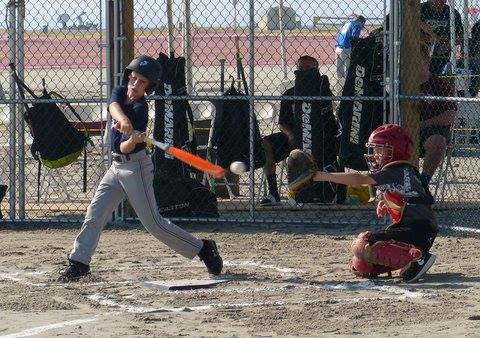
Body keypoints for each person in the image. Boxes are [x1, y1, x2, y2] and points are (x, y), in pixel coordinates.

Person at [58, 55, 223, 282]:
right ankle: (79, 262)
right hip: (115, 168)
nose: (135, 85)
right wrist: (123, 120)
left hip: (135, 168)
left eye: (142, 82)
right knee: (95, 214)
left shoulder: (140, 109)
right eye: (133, 78)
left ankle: (202, 248)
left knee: (154, 223)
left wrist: (133, 140)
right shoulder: (120, 92)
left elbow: (124, 148)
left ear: (149, 86)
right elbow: (113, 105)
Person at [309, 124, 438, 283]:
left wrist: (321, 175)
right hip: (420, 231)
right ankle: (413, 256)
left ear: (395, 150)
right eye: (374, 149)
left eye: (380, 149)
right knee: (362, 265)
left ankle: (418, 258)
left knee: (364, 242)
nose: (375, 154)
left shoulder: (395, 170)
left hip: (418, 231)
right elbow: (412, 200)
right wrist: (387, 202)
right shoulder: (404, 171)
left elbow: (358, 179)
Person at [260, 55, 319, 206]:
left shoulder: (321, 90)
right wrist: (291, 134)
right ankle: (273, 192)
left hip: (316, 135)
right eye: (300, 68)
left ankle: (324, 190)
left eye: (308, 68)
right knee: (265, 143)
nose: (304, 71)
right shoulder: (290, 93)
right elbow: (282, 124)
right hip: (292, 136)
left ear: (316, 70)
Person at [417, 41, 458, 186]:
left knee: (438, 141)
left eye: (417, 59)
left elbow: (450, 115)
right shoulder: (401, 85)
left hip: (429, 131)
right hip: (403, 132)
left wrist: (423, 124)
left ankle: (422, 184)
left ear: (426, 60)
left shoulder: (440, 84)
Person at [421, 0, 463, 75]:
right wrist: (432, 38)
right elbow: (412, 31)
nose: (440, 1)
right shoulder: (421, 9)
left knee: (437, 75)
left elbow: (459, 35)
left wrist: (449, 44)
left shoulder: (452, 12)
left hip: (443, 51)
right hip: (423, 48)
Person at [334, 14, 366, 93]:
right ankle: (347, 89)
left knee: (339, 70)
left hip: (338, 47)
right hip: (346, 48)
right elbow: (354, 38)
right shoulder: (357, 25)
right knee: (348, 69)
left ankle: (339, 88)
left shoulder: (347, 23)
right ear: (361, 22)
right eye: (363, 24)